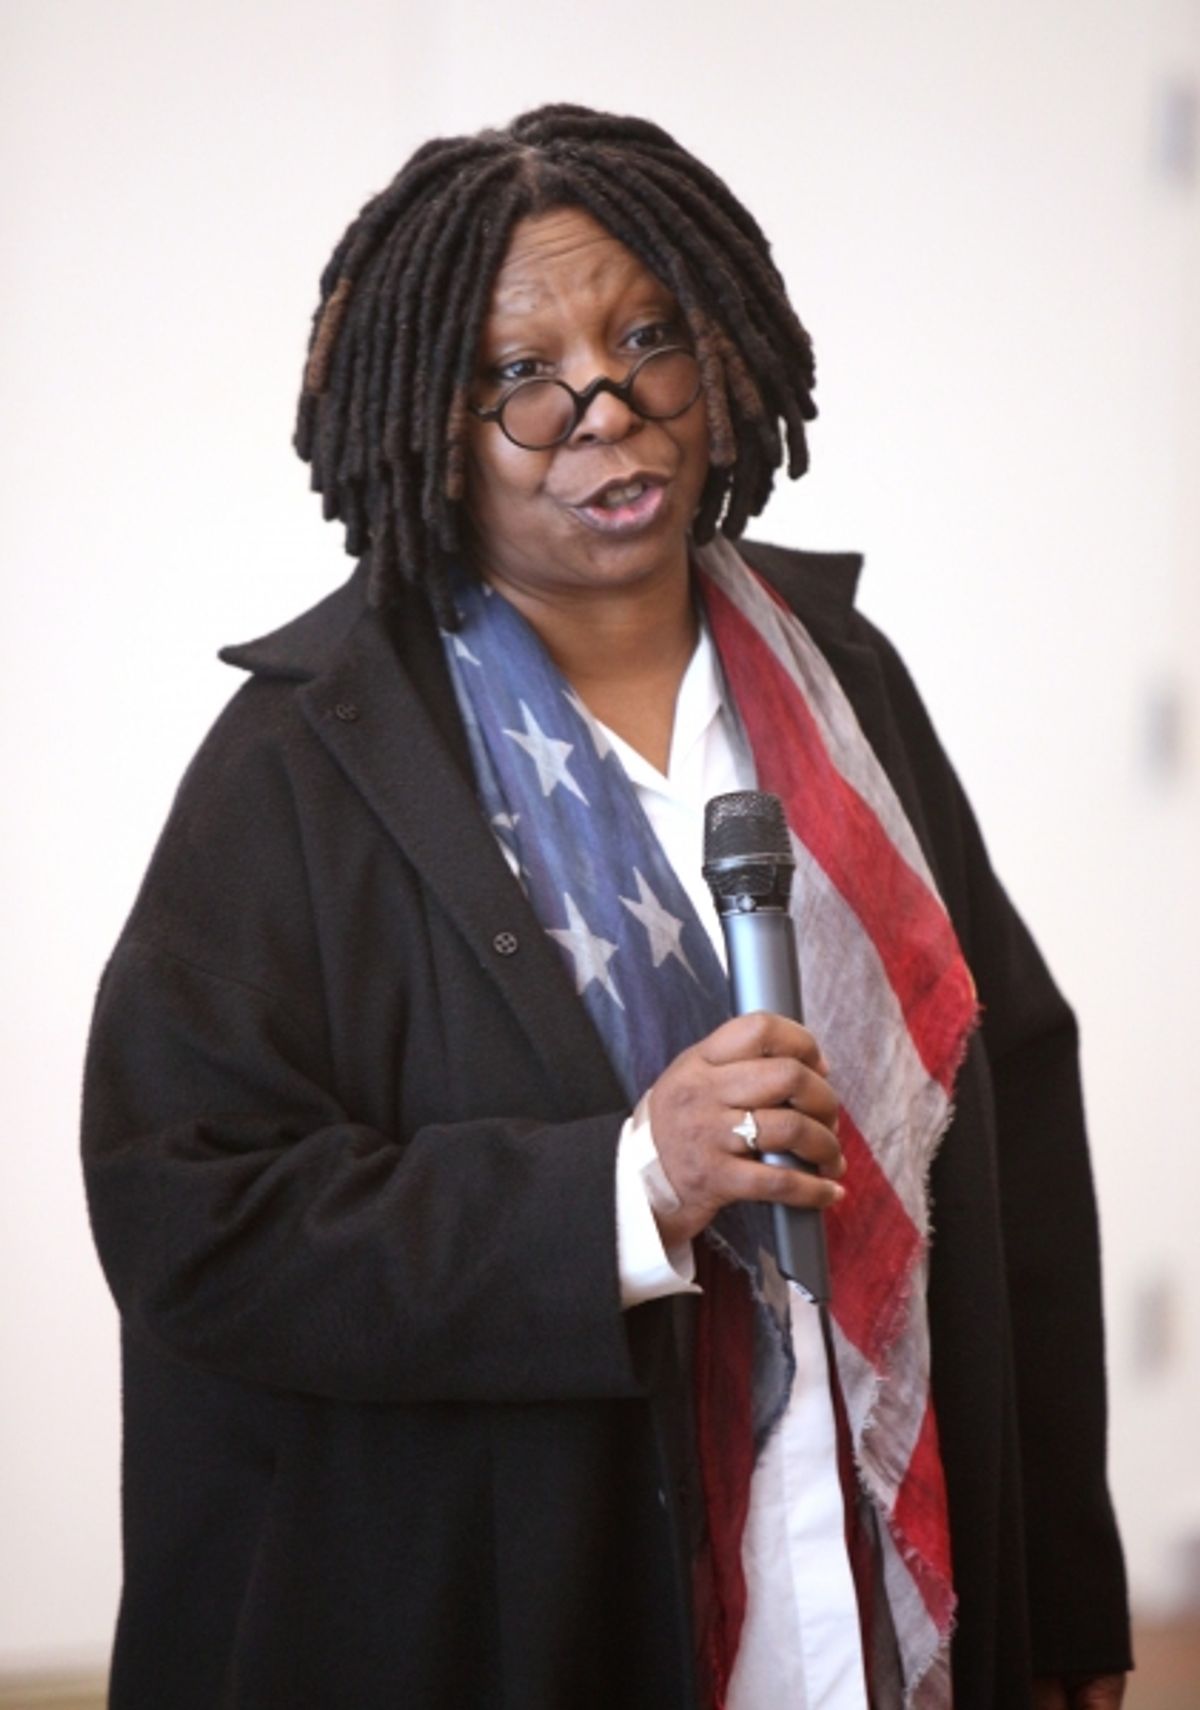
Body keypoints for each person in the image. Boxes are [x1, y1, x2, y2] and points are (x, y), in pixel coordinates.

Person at [81, 104, 1131, 1709]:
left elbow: (1021, 1135)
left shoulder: (843, 684)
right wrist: (627, 1182)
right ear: (433, 426)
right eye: (523, 374)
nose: (605, 407)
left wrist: (1059, 1596)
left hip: (872, 1597)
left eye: (646, 336)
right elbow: (191, 1219)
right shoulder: (304, 763)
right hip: (513, 1621)